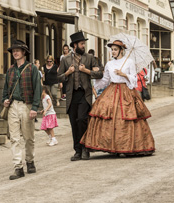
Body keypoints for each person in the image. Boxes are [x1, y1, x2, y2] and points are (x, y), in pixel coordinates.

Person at [80, 40, 155, 156]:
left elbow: (134, 80)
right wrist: (95, 86)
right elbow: (105, 79)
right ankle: (111, 147)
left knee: (126, 117)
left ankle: (127, 147)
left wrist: (124, 75)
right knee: (108, 116)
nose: (113, 52)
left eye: (115, 49)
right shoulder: (109, 64)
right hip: (112, 89)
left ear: (121, 50)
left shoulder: (129, 62)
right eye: (112, 50)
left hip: (126, 91)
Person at [57, 31, 103, 161]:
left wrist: (86, 71)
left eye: (84, 43)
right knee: (73, 123)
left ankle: (85, 148)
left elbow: (99, 74)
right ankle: (77, 150)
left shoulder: (89, 58)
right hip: (72, 96)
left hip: (85, 94)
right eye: (82, 44)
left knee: (82, 119)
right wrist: (68, 72)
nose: (84, 46)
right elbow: (58, 77)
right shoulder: (65, 60)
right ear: (75, 45)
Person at [2, 40, 42, 180]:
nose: (15, 52)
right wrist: (5, 100)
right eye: (13, 51)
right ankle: (18, 167)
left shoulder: (32, 69)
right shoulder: (10, 70)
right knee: (14, 138)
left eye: (18, 50)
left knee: (28, 137)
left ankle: (30, 161)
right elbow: (6, 89)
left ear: (24, 52)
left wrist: (35, 108)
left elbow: (38, 89)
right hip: (13, 106)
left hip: (27, 105)